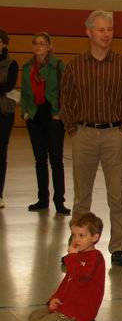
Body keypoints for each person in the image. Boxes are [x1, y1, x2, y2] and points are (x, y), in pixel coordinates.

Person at [60, 11, 122, 266]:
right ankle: (77, 247)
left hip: (114, 134)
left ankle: (118, 248)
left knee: (117, 196)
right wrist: (73, 130)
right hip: (83, 134)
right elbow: (66, 100)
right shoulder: (75, 66)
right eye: (101, 29)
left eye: (110, 29)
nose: (106, 34)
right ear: (89, 32)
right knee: (82, 197)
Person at [29, 212, 105, 321]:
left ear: (94, 237)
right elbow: (68, 280)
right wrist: (55, 298)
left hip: (80, 311)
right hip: (67, 305)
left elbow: (82, 278)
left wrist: (72, 257)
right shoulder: (77, 256)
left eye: (81, 235)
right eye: (74, 235)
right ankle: (62, 318)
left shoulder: (96, 257)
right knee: (34, 318)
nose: (76, 240)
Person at [20, 32, 69, 214]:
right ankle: (43, 199)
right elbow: (25, 92)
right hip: (34, 117)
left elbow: (67, 90)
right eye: (35, 43)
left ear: (49, 46)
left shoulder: (58, 65)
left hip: (53, 118)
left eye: (42, 43)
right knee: (40, 160)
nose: (38, 46)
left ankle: (59, 201)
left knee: (56, 161)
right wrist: (25, 111)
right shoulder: (27, 67)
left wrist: (61, 112)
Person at [0, 28, 19, 210]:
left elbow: (8, 86)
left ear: (4, 43)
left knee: (1, 153)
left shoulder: (11, 63)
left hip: (4, 113)